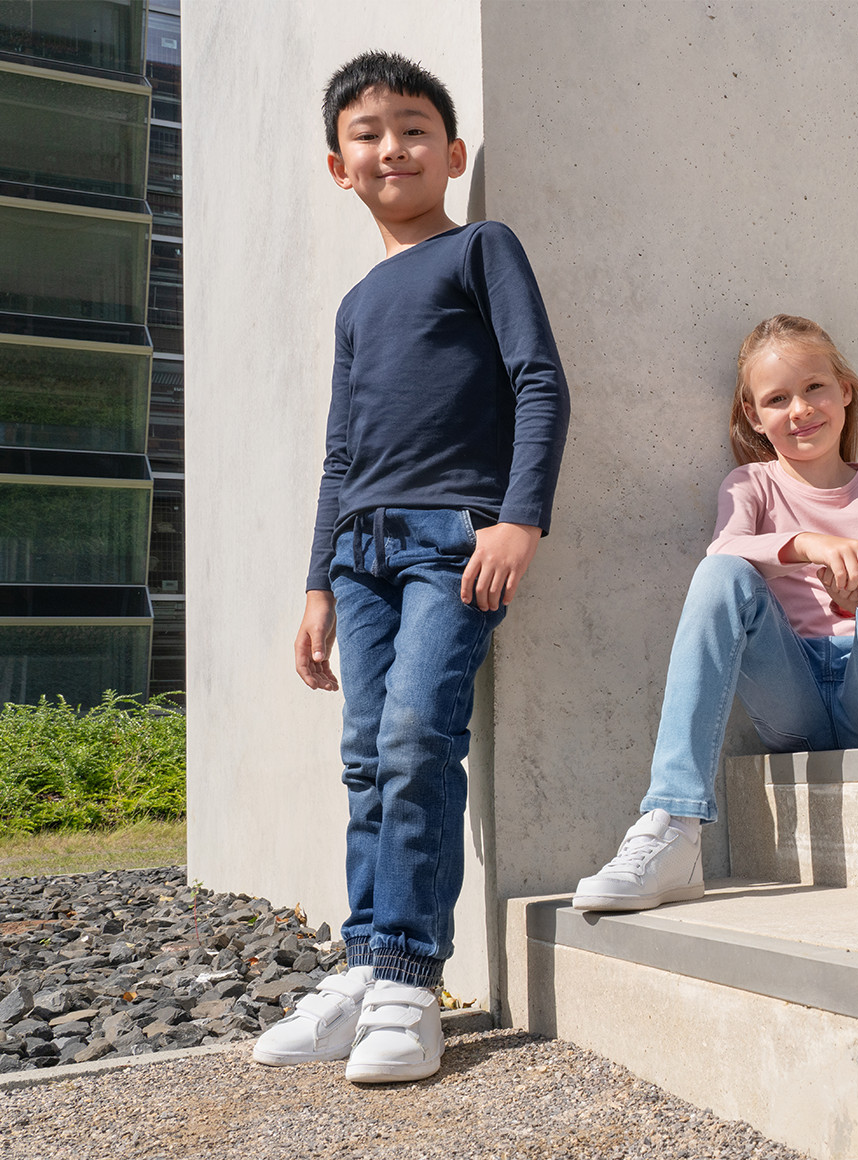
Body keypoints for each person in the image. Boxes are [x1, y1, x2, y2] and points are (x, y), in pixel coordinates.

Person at [253, 51, 569, 1084]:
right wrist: (315, 583)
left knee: (415, 736)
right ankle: (360, 963)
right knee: (363, 757)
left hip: (453, 542)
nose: (392, 145)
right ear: (338, 167)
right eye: (368, 132)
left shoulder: (480, 247)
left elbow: (537, 380)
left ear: (452, 151)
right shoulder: (354, 305)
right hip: (360, 556)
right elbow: (340, 453)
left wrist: (518, 518)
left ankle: (406, 978)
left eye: (413, 128)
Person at [573, 314, 858, 921]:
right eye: (777, 399)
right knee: (720, 574)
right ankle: (672, 825)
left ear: (846, 390)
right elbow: (724, 550)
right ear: (754, 417)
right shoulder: (751, 485)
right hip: (792, 696)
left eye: (814, 387)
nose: (800, 409)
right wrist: (807, 544)